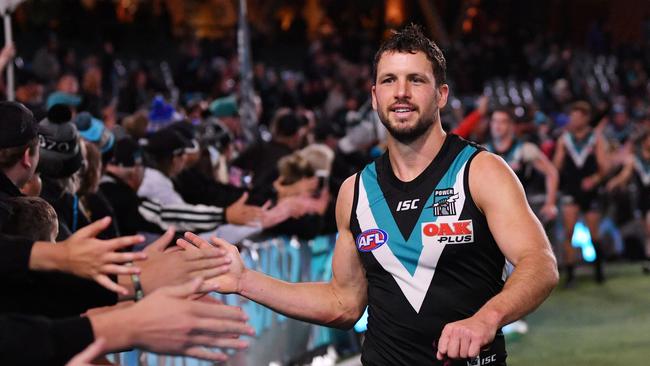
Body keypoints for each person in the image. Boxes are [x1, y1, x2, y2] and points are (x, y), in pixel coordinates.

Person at [192, 24, 558, 365]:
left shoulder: (481, 171)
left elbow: (540, 264)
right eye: (389, 80)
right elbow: (343, 303)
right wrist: (245, 281)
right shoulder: (355, 192)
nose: (401, 92)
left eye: (416, 80)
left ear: (441, 94)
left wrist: (486, 319)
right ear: (374, 95)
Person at [553, 101, 609, 287]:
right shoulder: (564, 139)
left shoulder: (596, 139)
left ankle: (599, 270)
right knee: (569, 231)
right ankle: (570, 274)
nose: (574, 120)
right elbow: (556, 165)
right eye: (572, 116)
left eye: (578, 116)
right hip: (571, 189)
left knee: (594, 233)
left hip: (590, 190)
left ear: (586, 118)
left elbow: (605, 166)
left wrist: (594, 179)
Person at [486, 107, 559, 221]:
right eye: (494, 121)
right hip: (493, 210)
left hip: (521, 210)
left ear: (511, 125)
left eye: (502, 121)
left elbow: (552, 173)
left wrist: (550, 203)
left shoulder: (526, 149)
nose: (497, 125)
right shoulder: (483, 151)